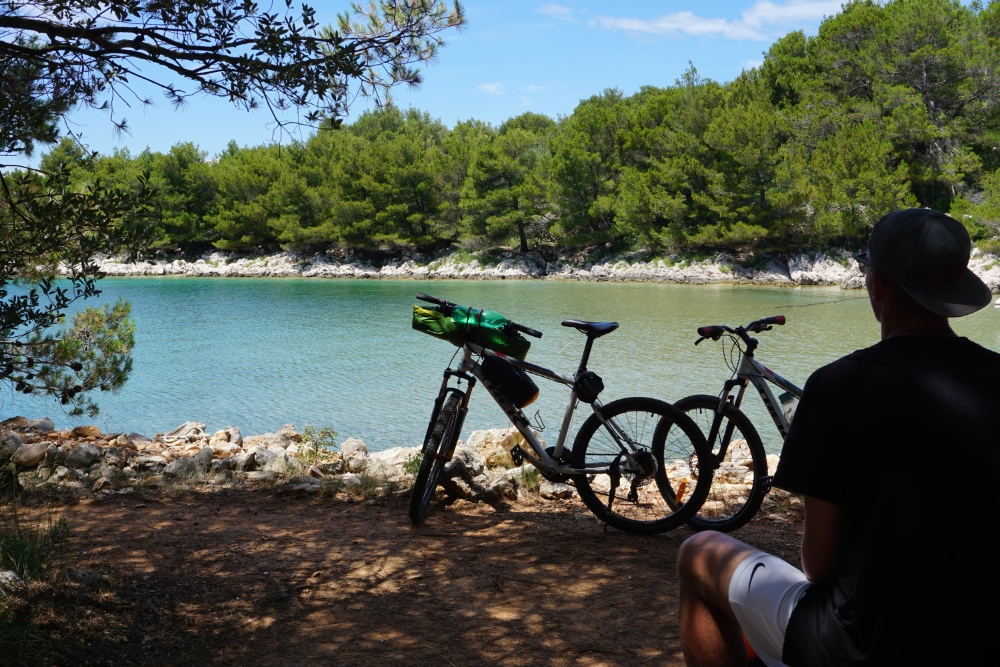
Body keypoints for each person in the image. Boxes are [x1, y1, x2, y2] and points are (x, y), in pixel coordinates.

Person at [676, 208, 1000, 667]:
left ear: (877, 283)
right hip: (980, 637)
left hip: (860, 641)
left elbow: (820, 566)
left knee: (698, 552)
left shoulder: (837, 385)